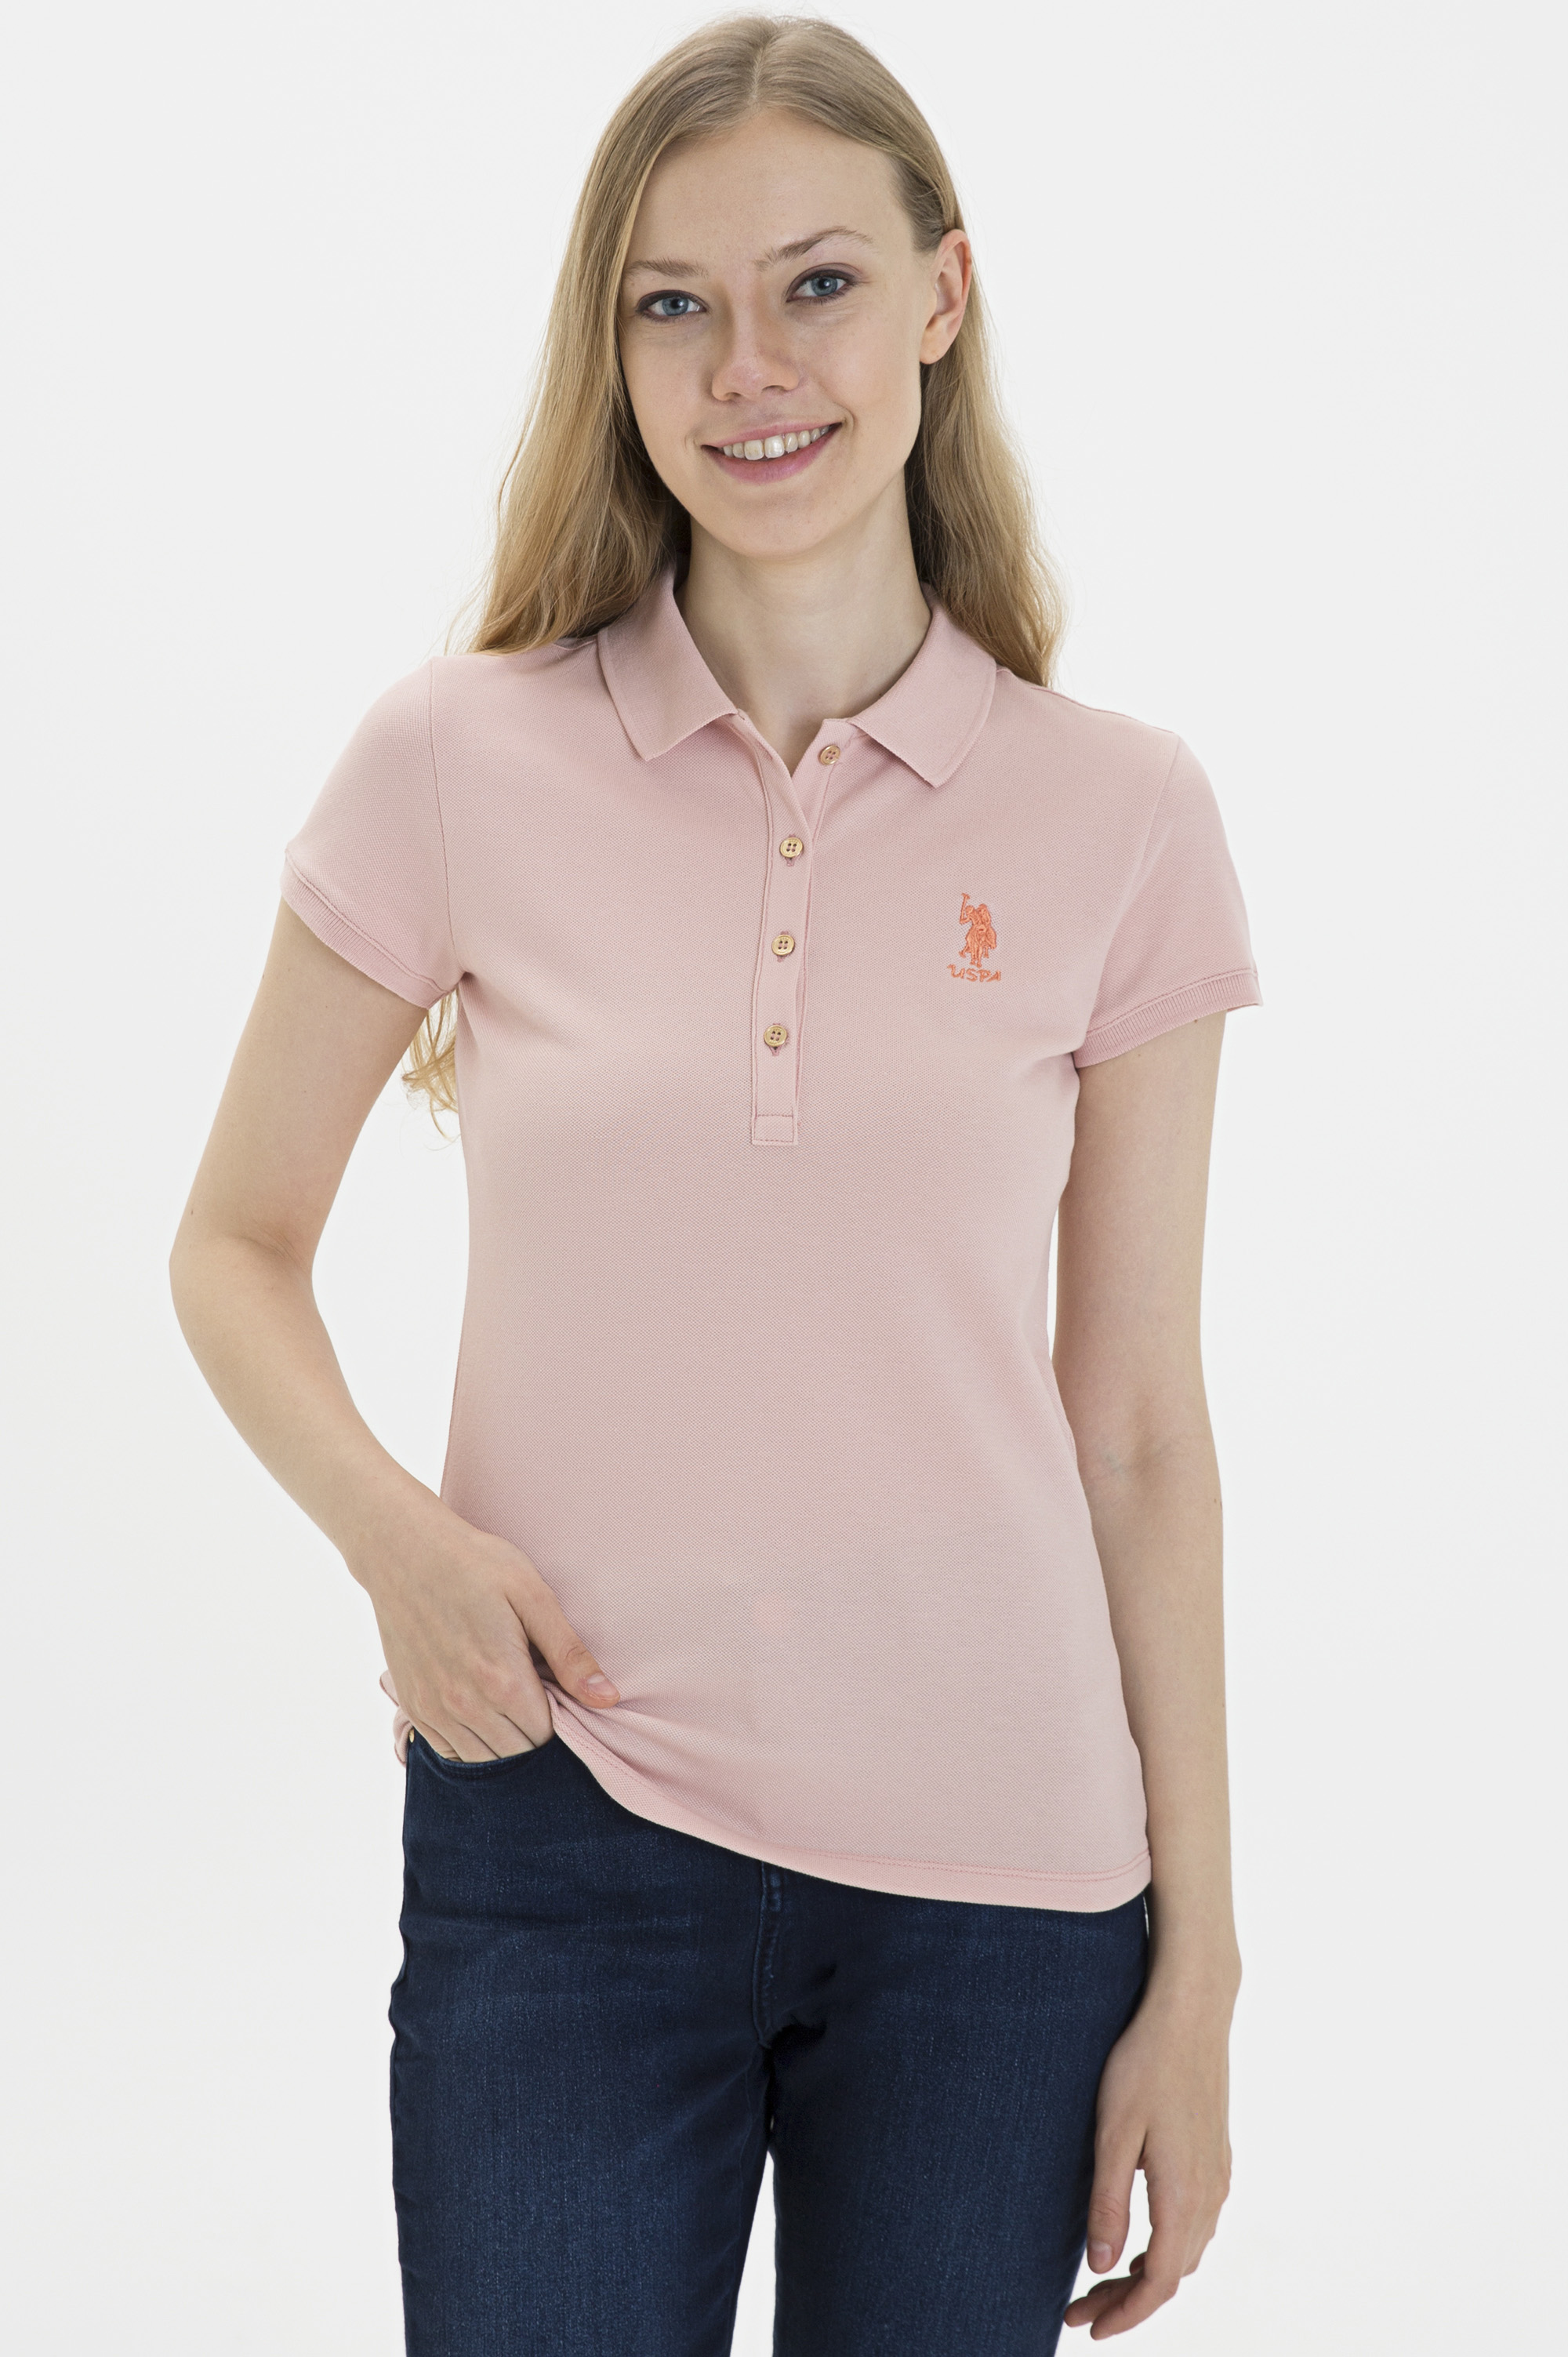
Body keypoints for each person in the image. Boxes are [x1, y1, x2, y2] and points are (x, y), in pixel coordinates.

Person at [169, 16, 1261, 2352]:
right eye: (674, 303)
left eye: (817, 285)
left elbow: (1142, 1429)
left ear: (942, 297)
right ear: (616, 351)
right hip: (558, 1827)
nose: (749, 367)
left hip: (1003, 1886)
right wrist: (400, 1548)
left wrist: (1203, 1967)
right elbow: (234, 1244)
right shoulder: (452, 759)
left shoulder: (1124, 816)